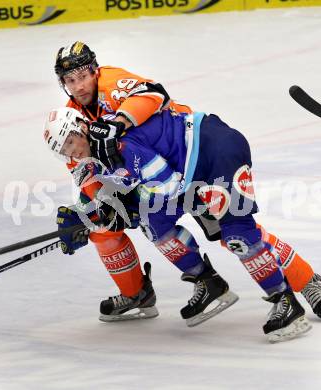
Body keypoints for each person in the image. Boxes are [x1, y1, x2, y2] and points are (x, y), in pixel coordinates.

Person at [44, 107, 321, 342]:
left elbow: (167, 187)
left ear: (81, 127)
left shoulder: (117, 142)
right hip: (185, 175)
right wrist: (86, 220)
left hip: (214, 151)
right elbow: (98, 201)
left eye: (71, 141)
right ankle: (208, 282)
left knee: (237, 234)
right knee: (154, 226)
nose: (73, 152)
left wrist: (129, 211)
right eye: (64, 150)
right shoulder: (90, 162)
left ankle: (286, 302)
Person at [53, 41, 192, 322]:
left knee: (233, 228)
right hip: (140, 173)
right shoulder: (71, 119)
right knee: (102, 230)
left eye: (82, 76)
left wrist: (117, 123)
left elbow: (156, 94)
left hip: (183, 158)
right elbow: (86, 176)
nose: (78, 86)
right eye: (70, 80)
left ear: (95, 71)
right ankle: (137, 293)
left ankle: (297, 283)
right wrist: (93, 213)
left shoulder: (112, 82)